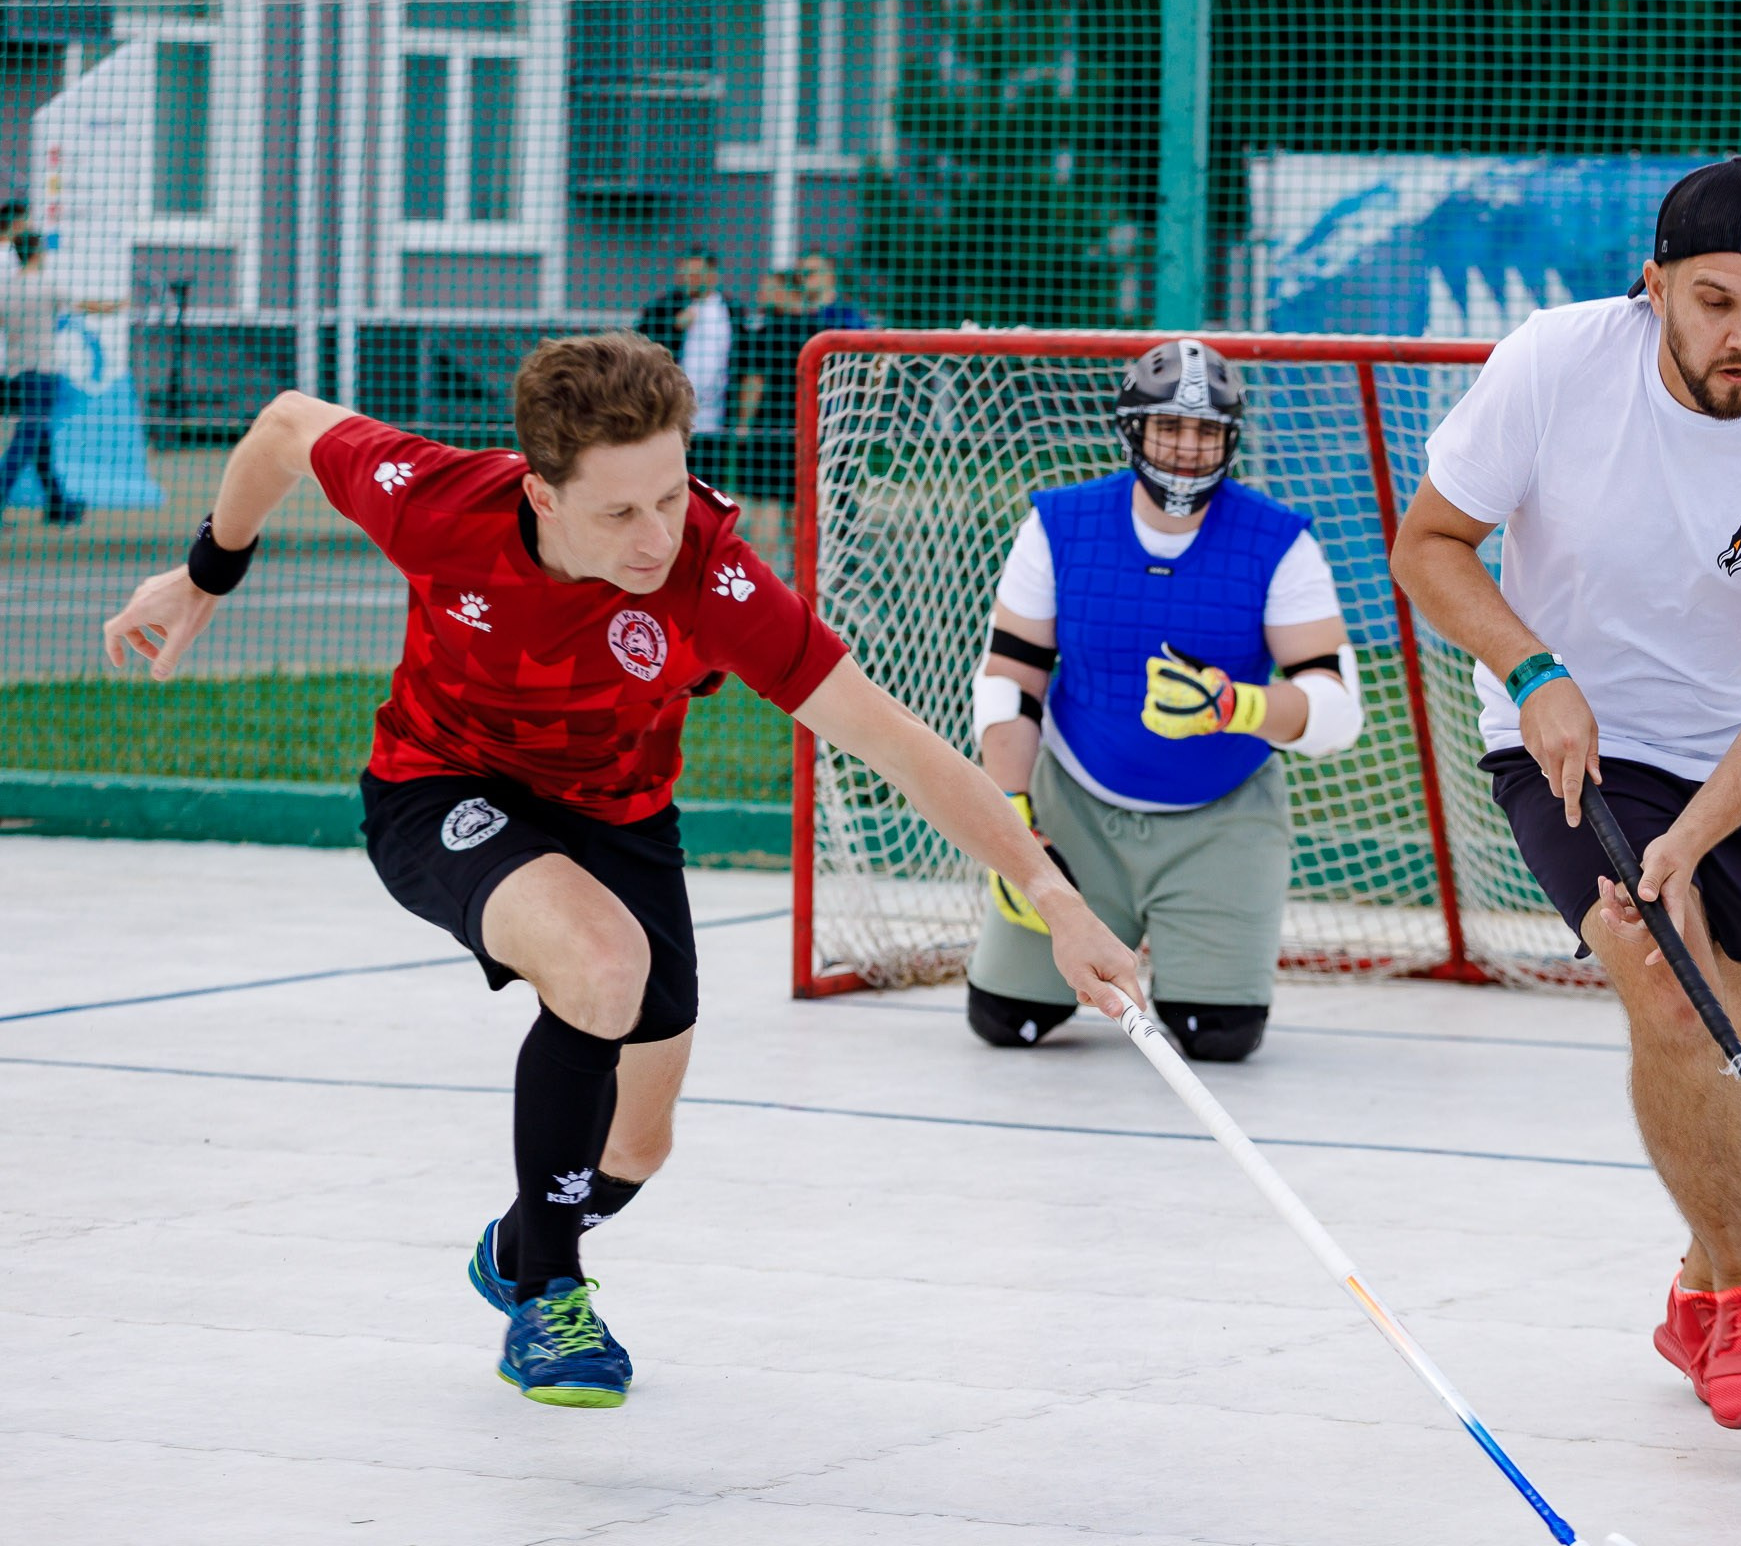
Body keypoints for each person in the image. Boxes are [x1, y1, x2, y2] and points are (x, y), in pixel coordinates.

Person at [99, 332, 1139, 1409]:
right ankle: (550, 1298)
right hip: (440, 787)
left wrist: (1054, 899)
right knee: (604, 966)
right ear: (542, 496)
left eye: (669, 500)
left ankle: (519, 1243)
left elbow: (896, 743)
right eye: (619, 513)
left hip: (618, 814)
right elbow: (282, 427)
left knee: (638, 1144)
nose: (655, 539)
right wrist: (205, 573)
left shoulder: (710, 577)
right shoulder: (437, 503)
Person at [1390, 160, 1741, 1430]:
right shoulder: (1556, 366)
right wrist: (1532, 668)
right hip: (1569, 731)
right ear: (1655, 282)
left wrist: (1692, 835)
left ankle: (1695, 1284)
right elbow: (1426, 546)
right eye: (1717, 300)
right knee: (1673, 992)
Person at [966, 338, 1365, 1063]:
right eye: (1170, 426)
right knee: (1004, 1019)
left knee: (1219, 1038)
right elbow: (1009, 681)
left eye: (1207, 429)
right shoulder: (1058, 523)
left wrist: (1232, 707)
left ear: (1231, 437)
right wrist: (1012, 819)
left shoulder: (1280, 540)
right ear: (1134, 428)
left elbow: (1337, 711)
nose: (1187, 446)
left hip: (1222, 813)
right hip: (1075, 805)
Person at [0, 230, 122, 525]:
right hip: (43, 372)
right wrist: (116, 305)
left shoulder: (7, 289)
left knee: (39, 440)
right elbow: (84, 305)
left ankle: (58, 506)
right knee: (28, 438)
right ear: (38, 253)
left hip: (17, 372)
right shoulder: (47, 284)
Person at [725, 267, 805, 556]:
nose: (761, 294)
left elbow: (754, 382)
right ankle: (803, 579)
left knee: (767, 505)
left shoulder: (765, 333)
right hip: (803, 428)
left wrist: (744, 424)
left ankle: (765, 577)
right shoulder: (815, 331)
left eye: (768, 288)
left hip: (768, 428)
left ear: (787, 291)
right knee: (797, 507)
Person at [638, 250, 733, 446]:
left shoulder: (730, 309)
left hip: (717, 410)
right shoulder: (665, 307)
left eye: (697, 274)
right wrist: (674, 327)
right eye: (687, 274)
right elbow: (643, 345)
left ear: (713, 275)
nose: (691, 280)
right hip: (673, 407)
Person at [793, 252, 870, 332]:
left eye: (810, 272)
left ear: (831, 273)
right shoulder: (795, 315)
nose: (803, 277)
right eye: (799, 272)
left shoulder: (847, 314)